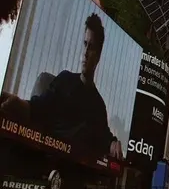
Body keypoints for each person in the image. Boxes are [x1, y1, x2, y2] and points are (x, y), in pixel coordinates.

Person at [0, 13, 124, 159]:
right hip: (44, 154)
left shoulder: (98, 105)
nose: (85, 53)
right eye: (85, 44)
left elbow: (105, 138)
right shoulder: (65, 79)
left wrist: (113, 143)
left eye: (91, 47)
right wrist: (15, 102)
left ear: (98, 54)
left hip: (72, 166)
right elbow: (38, 108)